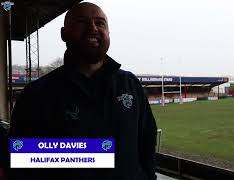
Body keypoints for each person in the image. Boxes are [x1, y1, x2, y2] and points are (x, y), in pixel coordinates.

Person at [6, 2, 157, 180]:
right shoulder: (37, 94)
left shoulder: (130, 84)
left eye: (100, 23)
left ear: (108, 34)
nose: (93, 28)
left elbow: (147, 141)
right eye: (82, 22)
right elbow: (21, 160)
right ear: (64, 34)